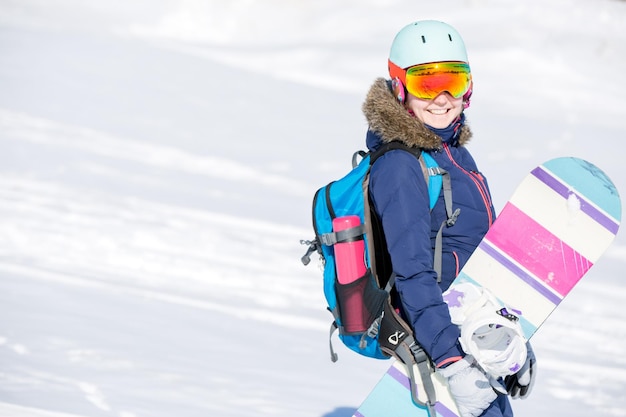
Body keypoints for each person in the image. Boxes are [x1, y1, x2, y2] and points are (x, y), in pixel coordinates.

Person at [361, 20, 535, 417]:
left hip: (470, 333)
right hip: (438, 344)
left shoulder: (450, 150)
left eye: (453, 81)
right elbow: (413, 273)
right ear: (399, 86)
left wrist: (508, 342)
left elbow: (474, 253)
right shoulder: (401, 165)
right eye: (426, 83)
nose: (442, 98)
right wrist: (452, 364)